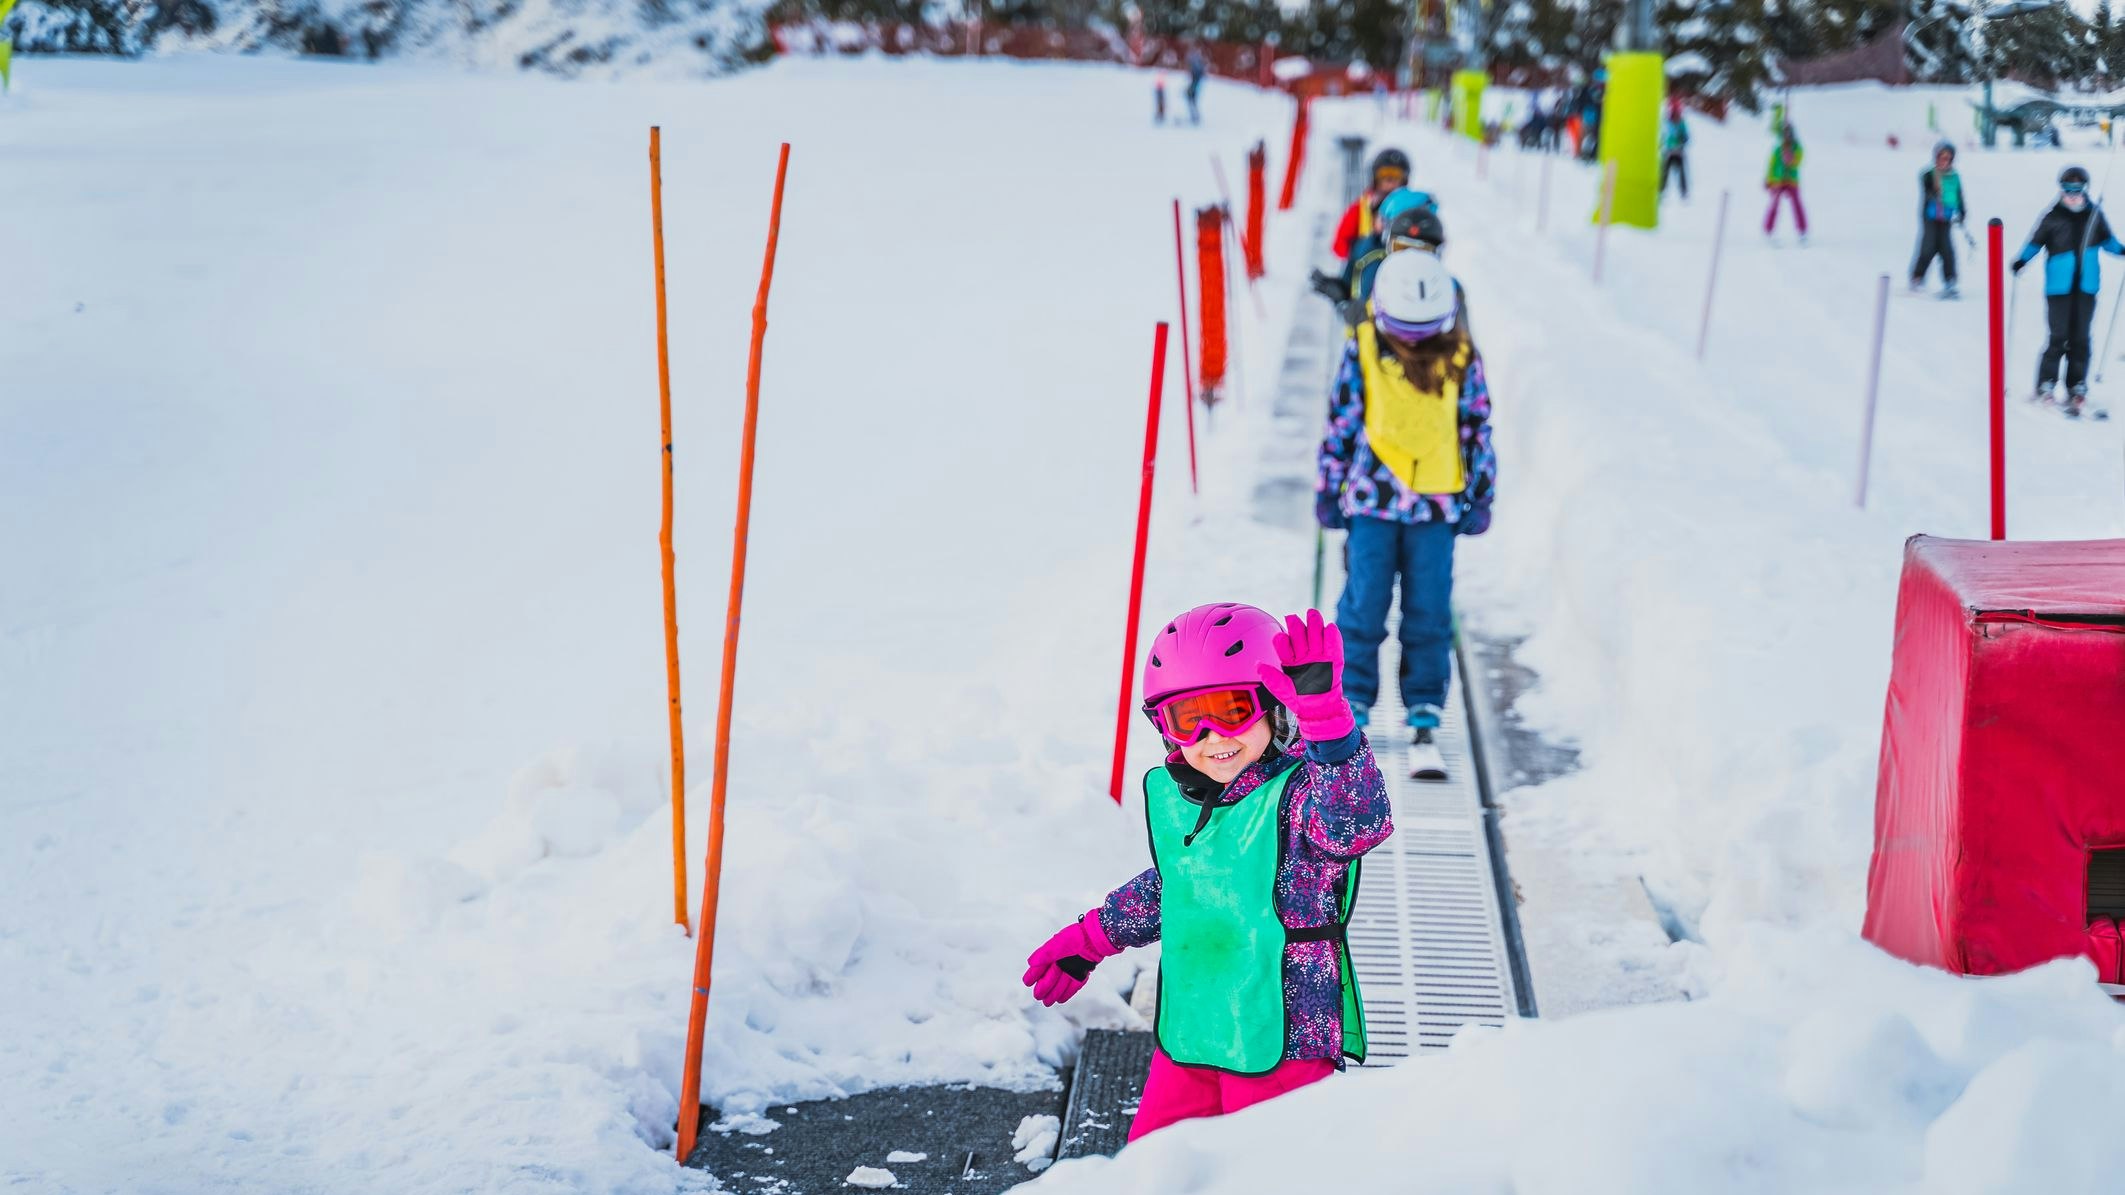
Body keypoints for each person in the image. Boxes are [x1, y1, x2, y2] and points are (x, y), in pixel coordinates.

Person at [1021, 604, 1391, 1141]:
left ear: (1274, 707)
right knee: (1156, 1166)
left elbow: (1358, 822)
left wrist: (1328, 726)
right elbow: (1179, 885)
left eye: (1232, 709)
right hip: (1195, 1030)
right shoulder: (1187, 800)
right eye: (1188, 719)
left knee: (1268, 1171)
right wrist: (1092, 937)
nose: (1213, 736)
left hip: (1283, 1039)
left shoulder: (1301, 799)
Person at [1316, 251, 1495, 771]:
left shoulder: (1461, 356)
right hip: (1373, 502)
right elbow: (1342, 421)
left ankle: (1423, 708)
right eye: (1403, 329)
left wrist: (1481, 491)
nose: (1413, 340)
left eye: (1423, 330)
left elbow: (1475, 426)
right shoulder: (1364, 348)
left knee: (1429, 610)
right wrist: (1329, 487)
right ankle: (1353, 703)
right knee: (1363, 605)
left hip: (1437, 506)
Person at [2011, 165, 2125, 415]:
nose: (2073, 194)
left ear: (2085, 189)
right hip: (2058, 288)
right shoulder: (2052, 216)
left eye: (2077, 188)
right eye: (2068, 188)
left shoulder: (2094, 215)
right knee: (2057, 336)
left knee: (2081, 338)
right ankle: (2046, 385)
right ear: (2061, 189)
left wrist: (2121, 250)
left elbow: (2109, 242)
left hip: (2086, 287)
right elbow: (2035, 242)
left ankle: (2077, 386)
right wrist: (2022, 260)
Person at [1330, 148, 1410, 261]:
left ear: (1404, 179)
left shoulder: (1411, 208)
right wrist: (1360, 246)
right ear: (1375, 178)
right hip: (1366, 267)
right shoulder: (1361, 208)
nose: (1390, 180)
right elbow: (1339, 245)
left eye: (1396, 175)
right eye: (1385, 175)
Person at [1912, 140, 1968, 298]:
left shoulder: (1954, 177)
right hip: (1930, 217)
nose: (1944, 161)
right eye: (1942, 157)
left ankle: (1950, 280)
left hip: (1946, 217)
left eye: (1948, 158)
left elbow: (1959, 196)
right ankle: (1917, 277)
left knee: (1946, 249)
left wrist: (1962, 212)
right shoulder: (1928, 174)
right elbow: (1926, 190)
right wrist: (1936, 195)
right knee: (1928, 247)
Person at [1764, 123, 1806, 243]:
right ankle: (1769, 230)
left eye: (1789, 134)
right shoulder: (1778, 149)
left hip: (1791, 180)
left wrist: (1790, 158)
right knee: (1774, 204)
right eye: (1785, 135)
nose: (1787, 137)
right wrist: (1769, 179)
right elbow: (1772, 165)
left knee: (1797, 204)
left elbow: (1797, 161)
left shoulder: (1797, 148)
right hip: (1778, 180)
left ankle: (1802, 231)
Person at [1659, 98, 1690, 202]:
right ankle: (1661, 190)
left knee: (1681, 172)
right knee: (1665, 172)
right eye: (1675, 112)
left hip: (1678, 152)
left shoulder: (1681, 123)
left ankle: (1683, 191)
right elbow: (1663, 134)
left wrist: (1683, 139)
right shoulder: (1667, 122)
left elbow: (1686, 136)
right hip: (1669, 151)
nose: (1676, 115)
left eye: (1678, 112)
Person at [1185, 48, 1207, 125]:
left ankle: (1195, 117)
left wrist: (1191, 89)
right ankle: (1195, 116)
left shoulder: (1196, 67)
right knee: (1191, 100)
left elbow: (1197, 80)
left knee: (1191, 100)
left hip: (1195, 86)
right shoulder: (1197, 66)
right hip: (1195, 86)